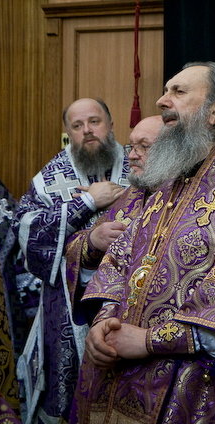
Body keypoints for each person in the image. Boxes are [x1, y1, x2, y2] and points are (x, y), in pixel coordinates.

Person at [67, 62, 215, 424]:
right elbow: (121, 261)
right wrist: (103, 324)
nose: (161, 100)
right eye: (165, 90)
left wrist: (149, 341)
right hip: (119, 375)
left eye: (178, 91)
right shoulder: (167, 179)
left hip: (196, 395)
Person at [12, 97, 129, 424]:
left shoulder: (139, 163)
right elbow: (26, 232)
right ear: (68, 133)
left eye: (94, 121)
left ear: (111, 125)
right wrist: (88, 202)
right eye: (77, 126)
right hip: (66, 306)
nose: (87, 131)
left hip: (127, 299)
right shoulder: (50, 177)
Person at [65, 115, 163, 325]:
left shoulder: (191, 197)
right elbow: (77, 244)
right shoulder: (134, 195)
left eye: (144, 147)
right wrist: (92, 240)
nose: (132, 156)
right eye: (131, 147)